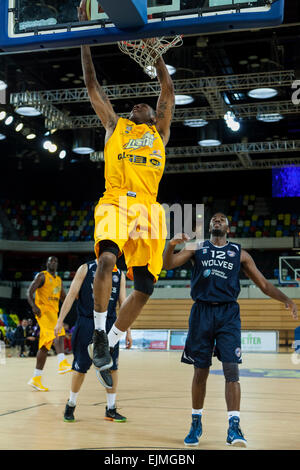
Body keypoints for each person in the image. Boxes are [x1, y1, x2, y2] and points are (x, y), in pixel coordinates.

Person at [78, 1, 174, 384]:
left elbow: (166, 89)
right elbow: (91, 85)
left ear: (153, 116)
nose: (140, 103)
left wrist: (156, 55)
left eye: (145, 105)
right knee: (105, 262)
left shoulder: (160, 135)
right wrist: (85, 37)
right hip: (116, 201)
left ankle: (111, 342)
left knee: (146, 288)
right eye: (137, 104)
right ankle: (100, 331)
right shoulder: (115, 125)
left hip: (149, 212)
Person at [163, 212, 298, 447]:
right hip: (202, 312)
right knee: (200, 372)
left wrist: (287, 299)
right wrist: (171, 244)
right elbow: (168, 264)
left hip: (228, 315)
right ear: (210, 226)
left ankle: (234, 427)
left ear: (228, 228)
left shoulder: (240, 253)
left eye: (222, 218)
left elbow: (264, 284)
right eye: (214, 218)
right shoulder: (197, 247)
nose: (217, 220)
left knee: (232, 371)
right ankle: (196, 422)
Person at [54, 260, 132, 422]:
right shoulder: (85, 268)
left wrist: (128, 331)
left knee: (112, 367)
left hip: (111, 324)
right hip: (87, 323)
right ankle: (71, 404)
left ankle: (111, 409)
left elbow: (124, 304)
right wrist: (60, 320)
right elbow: (70, 295)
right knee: (80, 367)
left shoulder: (120, 274)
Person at [27, 256, 71, 391]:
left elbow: (64, 297)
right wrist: (34, 306)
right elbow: (29, 291)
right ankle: (62, 361)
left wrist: (78, 296)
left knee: (45, 346)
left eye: (55, 261)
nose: (53, 263)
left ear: (57, 264)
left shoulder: (58, 280)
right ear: (46, 263)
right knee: (59, 332)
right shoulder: (42, 276)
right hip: (43, 312)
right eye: (50, 261)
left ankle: (36, 378)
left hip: (54, 313)